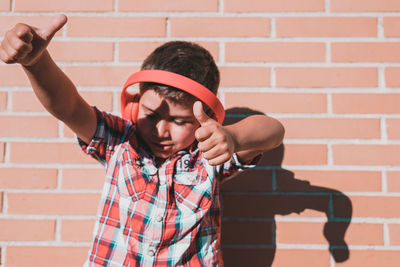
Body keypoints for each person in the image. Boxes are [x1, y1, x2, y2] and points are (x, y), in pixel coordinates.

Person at [0, 14, 285, 267]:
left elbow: (273, 131)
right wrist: (36, 63)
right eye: (151, 114)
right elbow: (69, 107)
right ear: (135, 105)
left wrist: (234, 137)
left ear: (203, 119)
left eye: (179, 121)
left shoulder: (208, 156)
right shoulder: (119, 141)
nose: (161, 130)